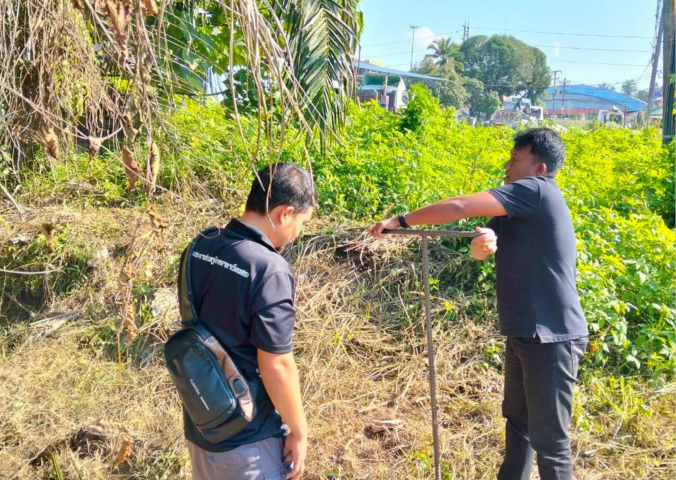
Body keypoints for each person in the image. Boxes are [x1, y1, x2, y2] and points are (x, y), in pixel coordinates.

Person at [367, 128, 589, 480]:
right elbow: (482, 249)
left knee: (550, 445)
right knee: (518, 427)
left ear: (540, 169)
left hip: (552, 337)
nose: (507, 166)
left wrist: (400, 221)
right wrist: (482, 245)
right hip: (527, 333)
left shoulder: (537, 190)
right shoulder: (518, 206)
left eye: (516, 159)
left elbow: (460, 206)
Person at [183, 163, 316, 480]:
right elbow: (277, 365)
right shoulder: (269, 269)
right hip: (248, 443)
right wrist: (299, 432)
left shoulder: (201, 244)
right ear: (285, 214)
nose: (298, 233)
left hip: (202, 421)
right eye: (302, 222)